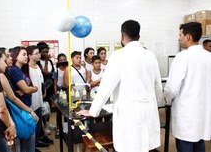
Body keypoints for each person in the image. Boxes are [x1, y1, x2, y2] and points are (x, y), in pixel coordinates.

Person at [77, 20, 162, 152]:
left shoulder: (118, 56)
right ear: (138, 36)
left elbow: (105, 87)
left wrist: (93, 111)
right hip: (148, 112)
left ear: (122, 36)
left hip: (129, 114)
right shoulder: (150, 55)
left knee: (129, 146)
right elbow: (158, 87)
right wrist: (155, 103)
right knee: (146, 146)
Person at [164, 22, 211, 152]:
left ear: (188, 37)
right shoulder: (209, 57)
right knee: (199, 145)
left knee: (186, 146)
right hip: (203, 116)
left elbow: (172, 88)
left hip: (187, 118)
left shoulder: (182, 57)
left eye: (180, 35)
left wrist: (167, 98)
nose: (179, 38)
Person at [0, 47, 39, 152]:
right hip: (15, 111)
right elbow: (14, 97)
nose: (10, 58)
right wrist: (34, 89)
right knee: (25, 138)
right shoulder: (7, 73)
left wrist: (29, 89)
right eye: (7, 56)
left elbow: (25, 89)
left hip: (17, 110)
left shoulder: (9, 72)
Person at [8, 46, 38, 152]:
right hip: (20, 109)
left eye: (26, 55)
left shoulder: (21, 70)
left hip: (25, 106)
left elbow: (27, 88)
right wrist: (34, 89)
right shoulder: (14, 70)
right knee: (27, 137)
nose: (26, 57)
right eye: (23, 55)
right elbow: (26, 89)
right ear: (16, 56)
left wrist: (32, 88)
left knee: (28, 138)